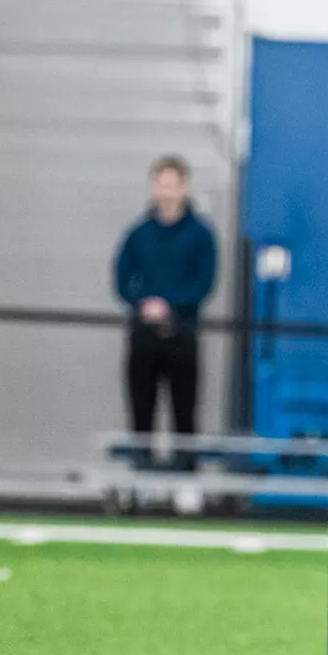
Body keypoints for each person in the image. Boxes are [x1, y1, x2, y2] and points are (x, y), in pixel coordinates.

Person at [112, 154, 217, 470]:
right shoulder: (138, 233)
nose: (167, 191)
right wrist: (145, 304)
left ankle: (185, 482)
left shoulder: (201, 235)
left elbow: (204, 283)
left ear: (184, 187)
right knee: (141, 408)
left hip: (182, 335)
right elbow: (122, 277)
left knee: (184, 409)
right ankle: (140, 478)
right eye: (161, 184)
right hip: (143, 335)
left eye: (173, 184)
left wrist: (169, 306)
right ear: (153, 186)